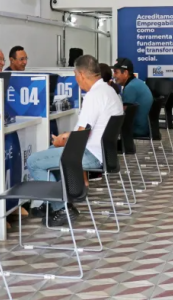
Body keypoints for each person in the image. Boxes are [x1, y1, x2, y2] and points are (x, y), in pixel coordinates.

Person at [26, 55, 123, 226]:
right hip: (103, 153)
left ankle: (62, 208)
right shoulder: (109, 91)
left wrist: (63, 140)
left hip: (90, 154)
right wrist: (64, 138)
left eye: (76, 76)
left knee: (34, 162)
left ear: (81, 75)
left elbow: (81, 134)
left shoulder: (94, 96)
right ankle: (50, 202)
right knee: (51, 153)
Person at [112, 58, 153, 137]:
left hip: (138, 129)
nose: (113, 75)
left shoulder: (131, 88)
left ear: (125, 73)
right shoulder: (137, 83)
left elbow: (123, 115)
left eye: (116, 72)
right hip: (145, 127)